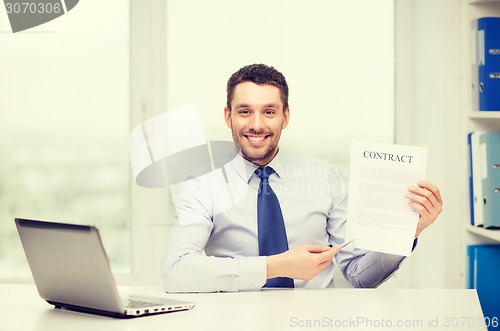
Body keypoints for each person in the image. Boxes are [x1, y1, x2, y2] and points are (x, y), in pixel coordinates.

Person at [162, 63, 443, 292]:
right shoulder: (203, 185)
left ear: (285, 117)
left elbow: (360, 275)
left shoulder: (324, 177)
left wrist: (407, 231)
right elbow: (176, 271)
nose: (257, 125)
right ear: (228, 116)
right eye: (245, 111)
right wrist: (276, 266)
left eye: (269, 112)